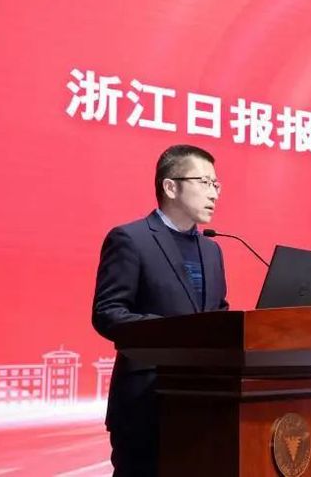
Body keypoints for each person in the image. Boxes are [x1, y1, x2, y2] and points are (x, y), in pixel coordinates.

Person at [92, 144, 228, 476]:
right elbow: (108, 312)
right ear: (170, 186)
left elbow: (218, 312)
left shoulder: (212, 250)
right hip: (145, 403)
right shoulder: (131, 239)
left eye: (216, 184)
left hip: (204, 403)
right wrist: (172, 335)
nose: (214, 193)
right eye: (204, 182)